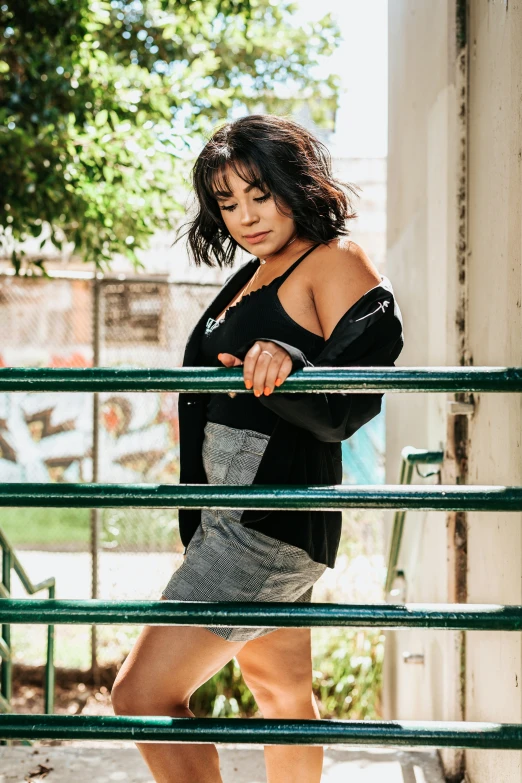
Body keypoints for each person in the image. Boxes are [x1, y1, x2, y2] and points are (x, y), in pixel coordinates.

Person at [110, 114, 404, 783]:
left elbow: (355, 394)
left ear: (292, 183)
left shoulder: (332, 259)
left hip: (261, 525)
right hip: (233, 513)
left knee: (140, 696)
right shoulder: (255, 271)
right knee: (281, 697)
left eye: (257, 193)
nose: (244, 214)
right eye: (227, 201)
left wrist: (291, 359)